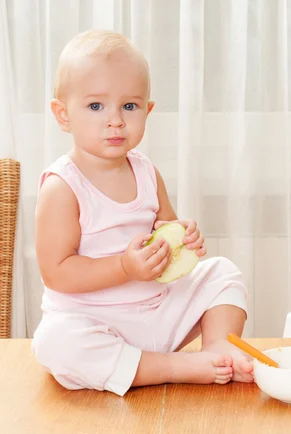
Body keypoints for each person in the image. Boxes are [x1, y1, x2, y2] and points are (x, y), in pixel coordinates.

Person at [32, 30, 253, 396]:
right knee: (56, 342)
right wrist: (124, 267)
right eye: (96, 106)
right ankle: (173, 366)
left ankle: (217, 350)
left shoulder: (147, 171)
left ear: (147, 111)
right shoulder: (62, 187)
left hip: (156, 308)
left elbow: (164, 229)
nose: (115, 120)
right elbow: (56, 273)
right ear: (63, 115)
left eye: (129, 106)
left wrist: (182, 234)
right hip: (96, 322)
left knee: (223, 273)